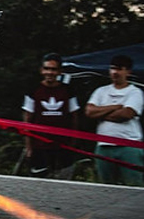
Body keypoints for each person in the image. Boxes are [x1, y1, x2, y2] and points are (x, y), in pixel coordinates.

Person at [84, 54, 144, 186]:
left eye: (119, 69)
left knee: (134, 186)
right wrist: (115, 107)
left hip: (129, 145)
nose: (115, 72)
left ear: (128, 71)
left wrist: (100, 113)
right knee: (106, 186)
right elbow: (89, 111)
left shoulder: (135, 92)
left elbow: (126, 114)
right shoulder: (101, 91)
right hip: (104, 145)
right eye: (112, 68)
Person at [21, 53, 80, 178]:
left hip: (63, 145)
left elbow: (74, 117)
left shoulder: (68, 90)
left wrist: (72, 143)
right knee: (39, 180)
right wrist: (28, 147)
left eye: (53, 69)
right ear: (41, 70)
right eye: (46, 68)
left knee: (63, 180)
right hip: (39, 145)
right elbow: (27, 119)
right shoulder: (34, 90)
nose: (50, 73)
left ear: (60, 71)